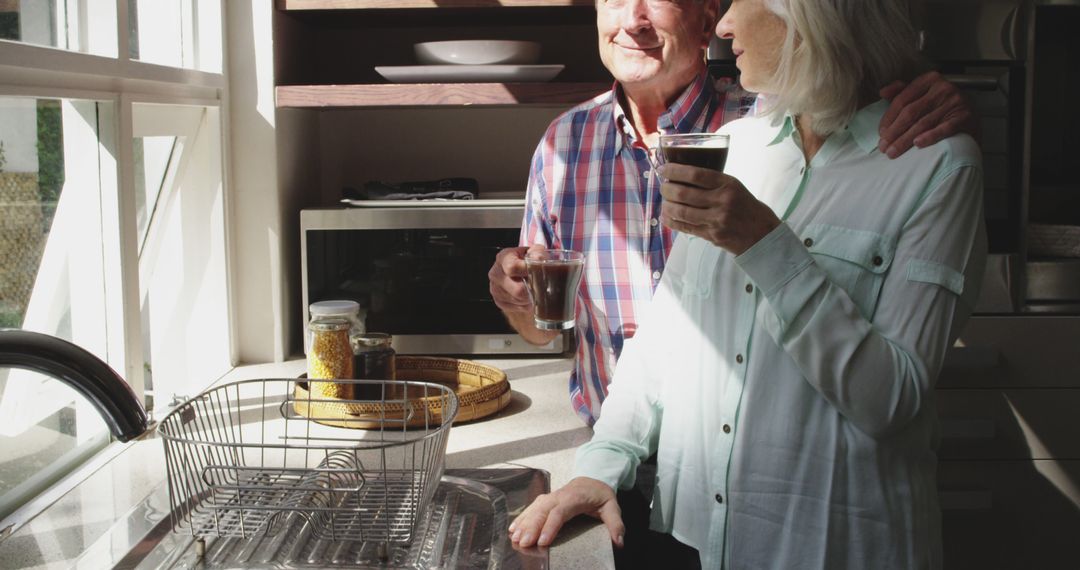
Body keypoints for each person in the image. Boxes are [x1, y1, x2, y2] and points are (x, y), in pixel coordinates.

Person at [507, 0, 987, 567]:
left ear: (808, 18)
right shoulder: (738, 146)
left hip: (837, 548)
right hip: (695, 540)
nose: (725, 25)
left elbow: (892, 399)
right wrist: (599, 467)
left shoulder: (938, 166)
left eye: (740, 2)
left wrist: (764, 243)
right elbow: (662, 345)